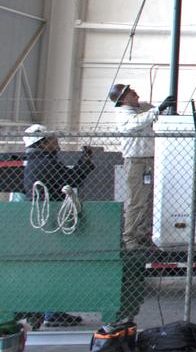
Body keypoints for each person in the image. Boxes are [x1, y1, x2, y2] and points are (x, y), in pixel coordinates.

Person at [21, 124, 94, 327]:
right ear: (43, 143)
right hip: (50, 222)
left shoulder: (36, 162)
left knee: (48, 267)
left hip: (44, 221)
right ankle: (50, 312)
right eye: (52, 139)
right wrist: (85, 161)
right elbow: (72, 179)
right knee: (53, 267)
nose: (57, 142)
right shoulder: (45, 163)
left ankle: (47, 311)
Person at [108, 83, 175, 250]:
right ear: (123, 99)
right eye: (131, 93)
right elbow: (136, 122)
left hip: (151, 160)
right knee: (137, 201)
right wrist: (158, 109)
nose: (136, 94)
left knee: (150, 200)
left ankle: (143, 234)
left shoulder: (143, 107)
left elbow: (159, 115)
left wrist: (168, 112)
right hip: (136, 161)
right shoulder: (123, 114)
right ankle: (129, 238)